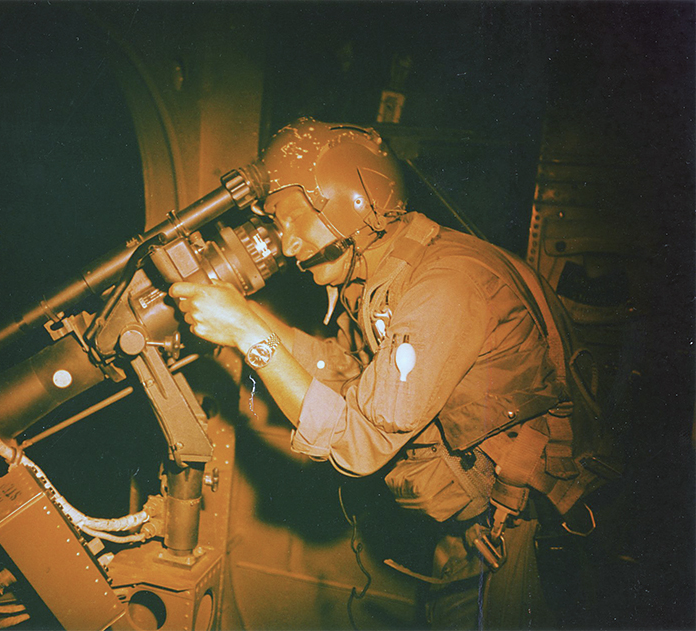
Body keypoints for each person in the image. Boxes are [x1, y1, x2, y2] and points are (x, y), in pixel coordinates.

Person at [169, 118, 598, 629]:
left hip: (522, 534)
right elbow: (343, 369)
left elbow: (358, 442)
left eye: (289, 219)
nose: (285, 246)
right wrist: (248, 315)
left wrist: (247, 334)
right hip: (476, 533)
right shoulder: (385, 277)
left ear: (345, 200)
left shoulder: (443, 287)